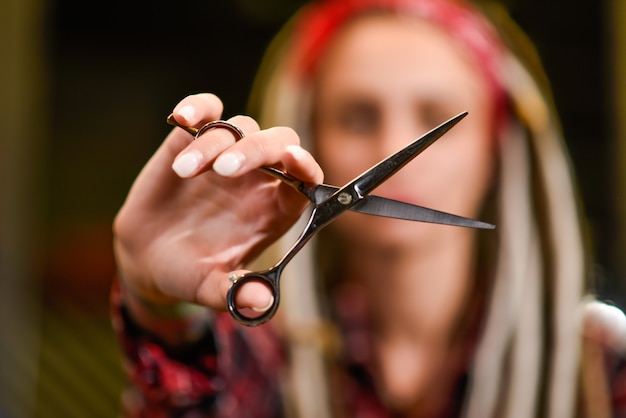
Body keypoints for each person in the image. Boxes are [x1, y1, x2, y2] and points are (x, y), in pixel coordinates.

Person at [111, 0, 626, 417]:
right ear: (312, 141)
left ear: (494, 147)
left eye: (435, 119)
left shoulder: (603, 374)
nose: (394, 147)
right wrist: (162, 311)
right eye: (357, 117)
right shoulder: (254, 354)